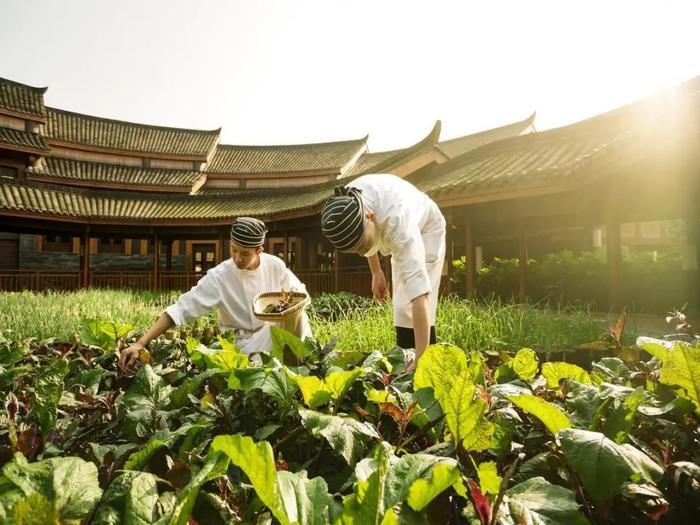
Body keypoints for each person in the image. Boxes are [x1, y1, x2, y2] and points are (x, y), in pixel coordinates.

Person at [118, 217, 311, 369]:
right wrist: (140, 343)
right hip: (241, 345)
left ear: (259, 250)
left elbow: (299, 294)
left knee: (299, 316)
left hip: (269, 333)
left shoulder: (274, 265)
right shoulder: (220, 276)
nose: (237, 258)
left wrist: (288, 304)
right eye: (233, 250)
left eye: (245, 254)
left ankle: (298, 367)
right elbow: (180, 309)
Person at [321, 174, 446, 371]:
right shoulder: (345, 205)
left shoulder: (397, 222)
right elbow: (365, 242)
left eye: (362, 245)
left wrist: (421, 360)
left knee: (415, 296)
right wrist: (376, 272)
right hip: (387, 224)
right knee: (401, 307)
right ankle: (405, 358)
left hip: (427, 226)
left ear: (370, 217)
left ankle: (425, 362)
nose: (361, 252)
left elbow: (419, 292)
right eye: (355, 250)